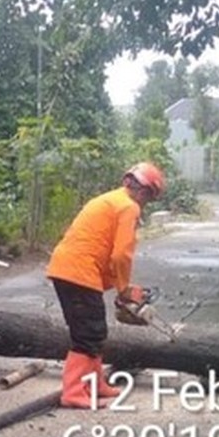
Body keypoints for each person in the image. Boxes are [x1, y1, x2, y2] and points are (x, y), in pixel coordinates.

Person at [45, 161, 165, 409]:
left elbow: (106, 252)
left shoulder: (111, 199)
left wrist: (121, 288)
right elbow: (121, 255)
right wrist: (124, 289)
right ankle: (73, 392)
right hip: (78, 271)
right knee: (88, 334)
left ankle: (95, 383)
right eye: (149, 197)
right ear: (146, 191)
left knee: (96, 331)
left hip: (74, 269)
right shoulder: (128, 207)